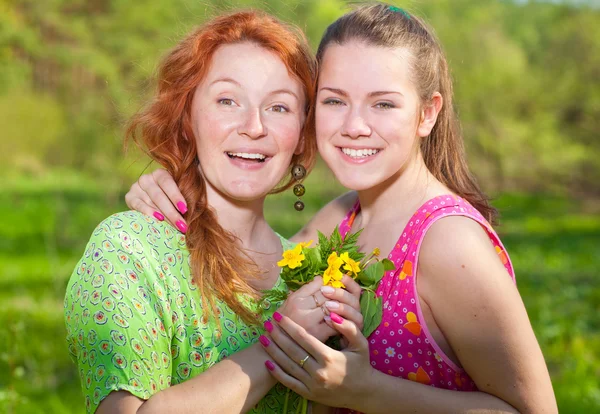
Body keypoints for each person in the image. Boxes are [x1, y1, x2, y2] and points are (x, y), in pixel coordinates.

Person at [126, 4, 558, 413]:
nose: (354, 126)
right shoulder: (340, 219)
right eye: (335, 101)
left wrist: (368, 391)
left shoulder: (449, 242)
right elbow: (245, 274)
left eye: (383, 104)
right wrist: (176, 187)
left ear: (427, 113)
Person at [64, 10, 364, 414]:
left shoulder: (310, 273)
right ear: (187, 118)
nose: (254, 126)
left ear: (301, 133)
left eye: (278, 108)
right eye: (227, 100)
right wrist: (282, 341)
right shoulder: (128, 249)